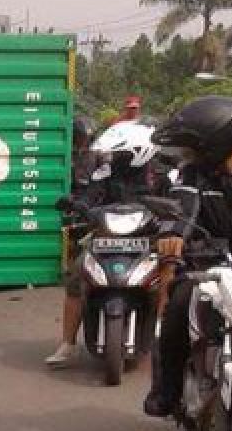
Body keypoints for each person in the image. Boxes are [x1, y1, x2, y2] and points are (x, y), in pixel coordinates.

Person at [144, 95, 232, 416]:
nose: (189, 153)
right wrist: (171, 234)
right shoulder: (195, 172)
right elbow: (181, 205)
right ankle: (167, 391)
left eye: (194, 146)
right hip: (213, 262)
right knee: (179, 301)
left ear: (218, 141)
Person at [45, 120, 160, 367]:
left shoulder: (159, 176)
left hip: (147, 240)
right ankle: (67, 344)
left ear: (137, 152)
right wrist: (78, 205)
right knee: (76, 276)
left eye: (117, 152)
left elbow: (177, 201)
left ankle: (165, 335)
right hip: (106, 238)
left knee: (171, 275)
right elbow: (90, 194)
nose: (111, 157)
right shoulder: (106, 172)